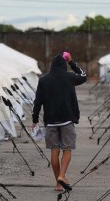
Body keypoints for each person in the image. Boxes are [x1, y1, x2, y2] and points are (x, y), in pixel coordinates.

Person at [31, 52, 87, 191]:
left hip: (50, 121)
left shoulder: (43, 80)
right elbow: (83, 76)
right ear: (64, 65)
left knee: (54, 150)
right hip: (67, 119)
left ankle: (58, 183)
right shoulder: (69, 77)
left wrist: (35, 118)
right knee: (67, 149)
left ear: (51, 65)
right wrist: (72, 62)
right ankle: (62, 175)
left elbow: (38, 101)